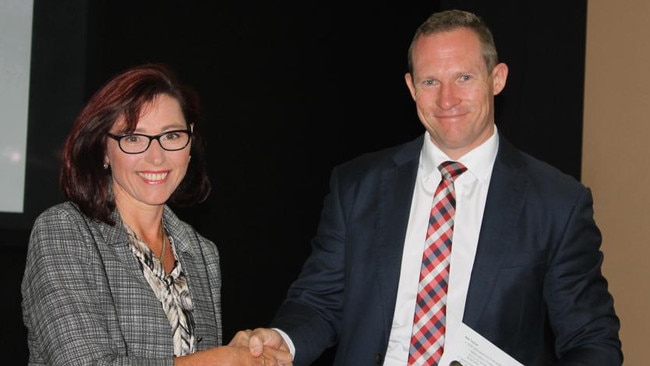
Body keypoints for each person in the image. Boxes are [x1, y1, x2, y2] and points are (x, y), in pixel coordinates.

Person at [233, 9, 623, 366]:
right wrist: (284, 339)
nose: (447, 98)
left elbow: (591, 340)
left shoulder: (557, 203)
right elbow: (319, 302)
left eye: (464, 78)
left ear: (497, 78)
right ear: (411, 87)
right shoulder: (357, 186)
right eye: (430, 81)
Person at [21, 63, 292, 366]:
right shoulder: (64, 231)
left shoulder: (201, 252)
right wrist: (224, 359)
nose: (156, 156)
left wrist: (244, 352)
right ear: (103, 150)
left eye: (172, 136)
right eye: (134, 138)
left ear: (189, 141)